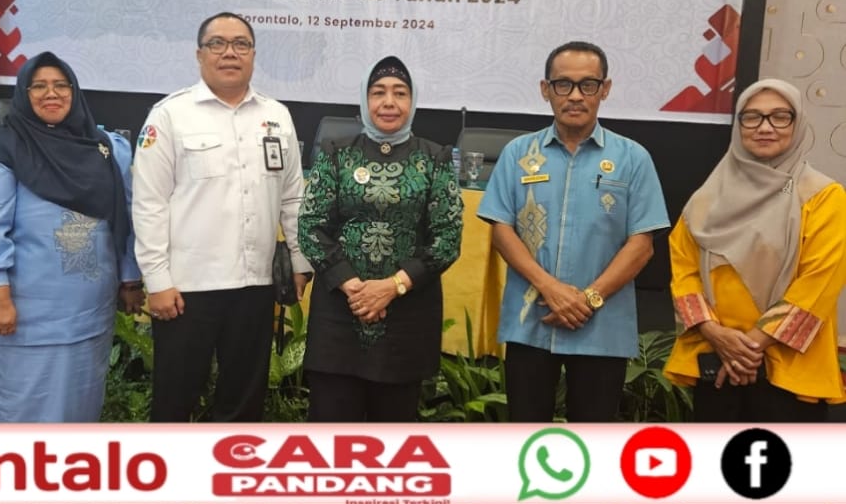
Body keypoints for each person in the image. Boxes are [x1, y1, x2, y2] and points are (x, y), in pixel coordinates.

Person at [477, 41, 670, 422]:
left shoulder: (633, 158)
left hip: (601, 326)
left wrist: (589, 298)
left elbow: (642, 244)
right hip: (532, 320)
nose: (576, 96)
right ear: (545, 89)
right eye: (563, 84)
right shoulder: (518, 153)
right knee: (525, 434)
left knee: (592, 437)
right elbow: (501, 231)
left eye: (588, 85)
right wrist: (550, 288)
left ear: (605, 89)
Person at [132, 12, 311, 422]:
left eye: (241, 44)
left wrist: (300, 263)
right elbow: (148, 203)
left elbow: (293, 198)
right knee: (175, 401)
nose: (230, 52)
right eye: (217, 44)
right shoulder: (170, 115)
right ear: (199, 55)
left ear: (253, 55)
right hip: (186, 289)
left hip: (255, 286)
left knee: (244, 403)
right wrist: (157, 280)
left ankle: (232, 463)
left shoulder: (277, 116)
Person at [0, 51, 142, 422]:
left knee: (79, 411)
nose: (51, 93)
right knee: (23, 413)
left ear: (75, 91)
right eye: (39, 86)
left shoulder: (105, 149)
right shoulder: (0, 152)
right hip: (25, 317)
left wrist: (130, 279)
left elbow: (124, 218)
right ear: (24, 94)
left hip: (89, 315)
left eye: (61, 85)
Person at [663, 78, 846, 421]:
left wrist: (750, 347)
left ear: (797, 124)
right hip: (716, 360)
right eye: (752, 117)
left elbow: (818, 284)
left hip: (788, 371)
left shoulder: (823, 197)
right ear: (739, 125)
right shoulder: (706, 199)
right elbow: (684, 271)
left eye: (780, 116)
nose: (765, 127)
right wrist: (716, 335)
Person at [298, 55, 463, 421]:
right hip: (340, 314)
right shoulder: (335, 154)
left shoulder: (435, 158)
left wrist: (393, 286)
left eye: (400, 93)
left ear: (413, 101)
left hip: (406, 316)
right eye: (378, 92)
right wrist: (354, 287)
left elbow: (447, 237)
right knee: (330, 427)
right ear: (364, 98)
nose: (389, 102)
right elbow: (311, 226)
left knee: (393, 429)